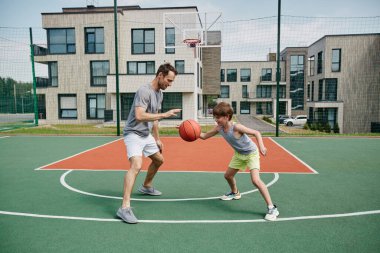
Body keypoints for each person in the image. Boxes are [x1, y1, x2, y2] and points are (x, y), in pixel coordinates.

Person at [117, 63, 181, 224]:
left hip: (146, 134)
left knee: (159, 160)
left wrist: (157, 138)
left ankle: (146, 186)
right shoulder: (144, 91)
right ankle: (124, 208)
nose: (170, 84)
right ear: (160, 75)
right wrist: (165, 114)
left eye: (172, 81)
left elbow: (155, 118)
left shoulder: (160, 94)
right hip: (133, 133)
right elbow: (139, 115)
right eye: (169, 80)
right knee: (137, 165)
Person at [200, 102, 279, 221]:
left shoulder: (237, 127)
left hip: (251, 154)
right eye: (215, 117)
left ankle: (272, 208)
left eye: (218, 117)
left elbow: (256, 133)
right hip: (239, 154)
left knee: (255, 180)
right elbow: (204, 136)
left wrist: (262, 146)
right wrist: (189, 131)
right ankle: (235, 192)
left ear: (227, 117)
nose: (216, 120)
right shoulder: (219, 128)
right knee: (228, 176)